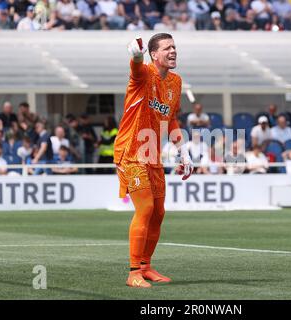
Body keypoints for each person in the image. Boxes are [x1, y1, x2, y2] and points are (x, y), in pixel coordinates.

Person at [113, 33, 193, 288]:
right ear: (154, 55)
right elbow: (135, 68)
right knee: (145, 208)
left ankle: (146, 266)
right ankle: (133, 271)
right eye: (167, 48)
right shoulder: (143, 74)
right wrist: (136, 55)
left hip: (153, 154)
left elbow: (171, 120)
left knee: (158, 213)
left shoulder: (176, 82)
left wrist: (184, 151)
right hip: (131, 152)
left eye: (174, 47)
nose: (173, 51)